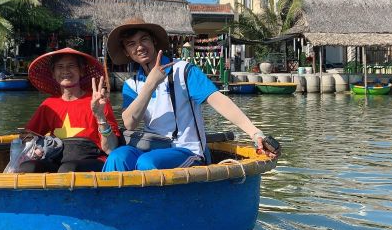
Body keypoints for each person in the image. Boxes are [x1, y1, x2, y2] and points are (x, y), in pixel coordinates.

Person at [103, 18, 280, 172]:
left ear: (154, 42)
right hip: (151, 147)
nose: (139, 47)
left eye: (144, 40)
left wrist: (255, 133)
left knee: (147, 163)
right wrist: (150, 84)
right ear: (126, 52)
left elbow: (219, 101)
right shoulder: (132, 84)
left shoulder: (183, 71)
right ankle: (110, 207)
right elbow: (129, 123)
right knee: (118, 157)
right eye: (131, 44)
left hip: (188, 150)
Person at [21, 48, 120, 173]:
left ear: (81, 71)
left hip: (91, 159)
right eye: (60, 67)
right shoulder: (48, 105)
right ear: (53, 73)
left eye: (71, 66)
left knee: (68, 168)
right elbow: (27, 136)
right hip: (55, 159)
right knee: (28, 167)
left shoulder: (98, 102)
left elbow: (111, 148)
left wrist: (100, 116)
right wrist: (37, 147)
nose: (65, 71)